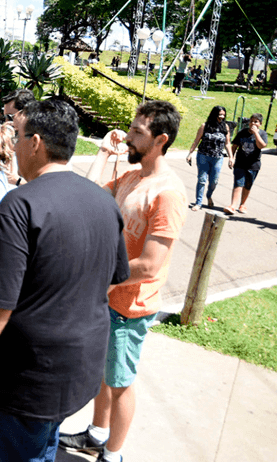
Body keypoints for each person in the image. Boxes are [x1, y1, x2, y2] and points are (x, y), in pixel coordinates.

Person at [0, 99, 130, 462]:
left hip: (29, 378)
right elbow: (112, 281)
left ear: (35, 143)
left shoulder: (20, 205)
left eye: (18, 136)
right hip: (81, 369)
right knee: (42, 446)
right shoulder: (104, 202)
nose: (14, 145)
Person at [60, 100, 187, 462]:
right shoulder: (133, 177)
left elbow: (150, 265)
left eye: (137, 133)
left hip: (130, 306)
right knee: (106, 374)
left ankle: (112, 454)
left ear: (160, 140)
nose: (128, 137)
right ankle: (97, 434)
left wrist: (103, 280)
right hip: (109, 298)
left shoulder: (168, 193)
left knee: (120, 383)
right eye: (130, 129)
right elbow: (89, 195)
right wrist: (103, 150)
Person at [186, 106, 233, 211]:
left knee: (214, 181)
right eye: (220, 114)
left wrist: (231, 157)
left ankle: (209, 195)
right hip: (203, 156)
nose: (222, 116)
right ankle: (198, 203)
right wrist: (190, 153)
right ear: (214, 114)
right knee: (202, 180)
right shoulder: (205, 126)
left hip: (217, 158)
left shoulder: (225, 127)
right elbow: (196, 140)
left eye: (223, 115)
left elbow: (228, 143)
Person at [223, 113, 268, 215]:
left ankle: (242, 204)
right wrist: (231, 158)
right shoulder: (242, 132)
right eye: (251, 121)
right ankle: (233, 206)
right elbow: (234, 146)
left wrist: (256, 133)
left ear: (260, 124)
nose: (252, 123)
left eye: (256, 121)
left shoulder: (262, 134)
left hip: (253, 165)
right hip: (240, 163)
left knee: (248, 185)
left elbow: (261, 146)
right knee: (238, 183)